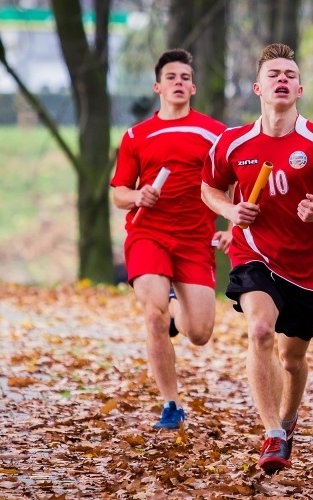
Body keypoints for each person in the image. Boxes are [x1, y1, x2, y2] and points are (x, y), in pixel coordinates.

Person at [201, 43, 313, 473]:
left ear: (300, 88)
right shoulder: (232, 142)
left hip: (309, 267)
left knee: (292, 358)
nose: (282, 79)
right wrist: (230, 211)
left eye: (289, 74)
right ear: (258, 87)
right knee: (259, 331)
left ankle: (288, 422)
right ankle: (272, 433)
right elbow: (211, 188)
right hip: (254, 252)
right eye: (273, 73)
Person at [111, 49, 230, 430]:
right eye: (171, 77)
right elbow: (118, 194)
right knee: (153, 314)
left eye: (184, 77)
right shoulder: (135, 136)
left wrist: (232, 226)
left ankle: (177, 305)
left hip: (196, 239)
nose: (178, 83)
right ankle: (171, 404)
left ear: (193, 87)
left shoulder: (216, 133)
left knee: (199, 334)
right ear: (157, 86)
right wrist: (137, 196)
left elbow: (236, 184)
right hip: (148, 234)